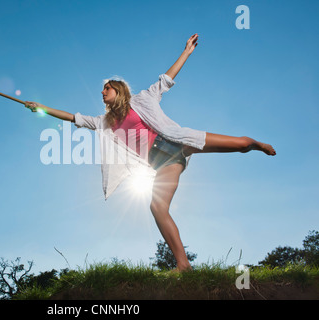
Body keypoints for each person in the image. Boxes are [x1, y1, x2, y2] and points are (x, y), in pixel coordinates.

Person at [24, 34, 276, 271]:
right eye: (102, 90)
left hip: (177, 142)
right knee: (157, 206)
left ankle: (257, 143)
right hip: (163, 162)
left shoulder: (142, 99)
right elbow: (73, 118)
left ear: (118, 91)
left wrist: (186, 51)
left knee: (241, 145)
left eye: (107, 89)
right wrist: (42, 108)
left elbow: (166, 79)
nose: (102, 93)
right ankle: (183, 265)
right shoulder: (104, 122)